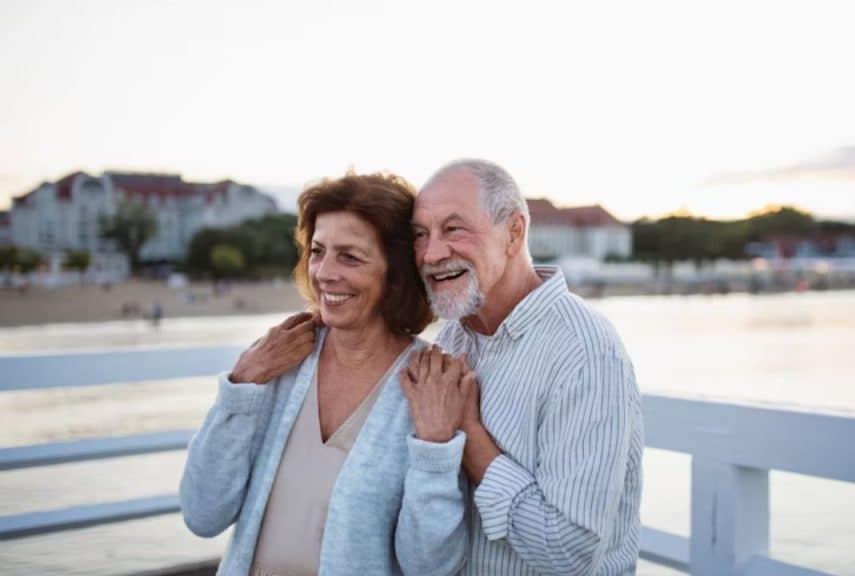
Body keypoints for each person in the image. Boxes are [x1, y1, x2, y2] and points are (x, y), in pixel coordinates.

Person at [180, 172, 472, 576]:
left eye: (350, 257)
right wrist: (241, 387)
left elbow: (430, 566)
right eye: (318, 252)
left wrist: (435, 449)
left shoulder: (428, 386)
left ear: (395, 274)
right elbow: (202, 513)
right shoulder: (277, 363)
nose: (324, 273)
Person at [409, 159, 643, 575]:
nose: (431, 254)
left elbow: (569, 552)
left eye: (454, 229)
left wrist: (471, 435)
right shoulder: (450, 341)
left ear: (514, 233)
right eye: (420, 235)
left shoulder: (585, 352)